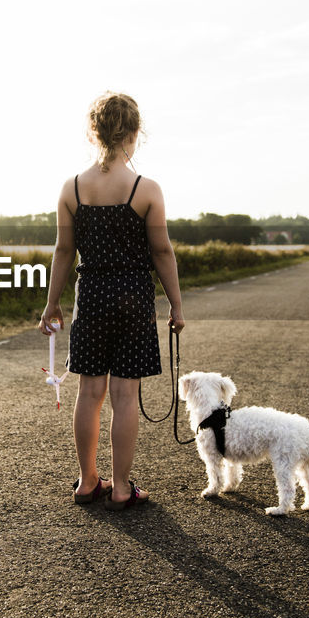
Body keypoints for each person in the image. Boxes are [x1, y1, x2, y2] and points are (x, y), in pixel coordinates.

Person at [39, 92, 186, 511]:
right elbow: (162, 252)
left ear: (94, 133)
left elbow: (63, 251)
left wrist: (52, 305)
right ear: (135, 134)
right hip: (134, 298)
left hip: (92, 296)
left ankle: (88, 481)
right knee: (124, 396)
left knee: (89, 393)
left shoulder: (72, 189)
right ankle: (121, 488)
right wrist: (176, 305)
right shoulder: (146, 190)